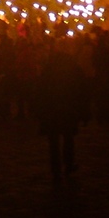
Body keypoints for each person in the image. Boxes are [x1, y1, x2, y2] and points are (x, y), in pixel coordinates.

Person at [34, 39, 88, 182]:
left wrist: (40, 110)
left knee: (53, 141)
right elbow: (82, 91)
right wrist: (83, 111)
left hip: (52, 108)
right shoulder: (74, 68)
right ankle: (68, 164)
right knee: (68, 138)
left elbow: (41, 89)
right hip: (68, 108)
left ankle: (55, 168)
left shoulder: (49, 67)